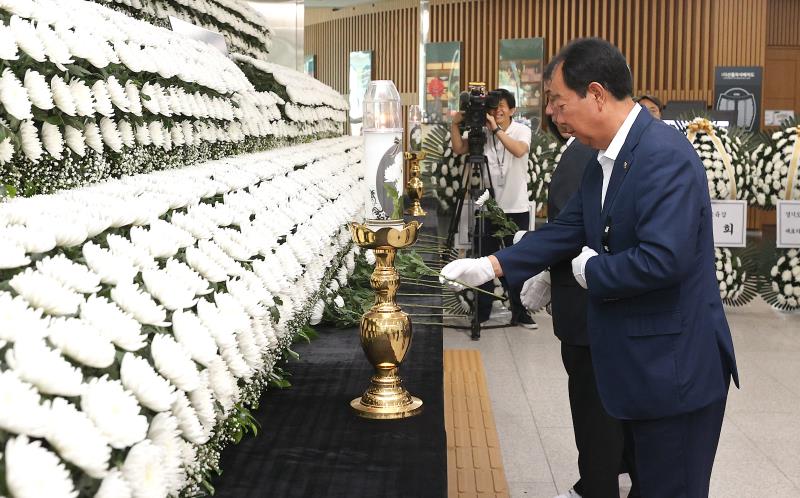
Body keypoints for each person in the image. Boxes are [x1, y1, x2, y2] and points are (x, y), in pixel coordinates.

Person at [441, 38, 738, 498]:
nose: (554, 116)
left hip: (675, 370)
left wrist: (592, 272)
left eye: (559, 103)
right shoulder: (605, 158)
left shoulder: (663, 156)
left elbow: (665, 259)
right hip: (638, 366)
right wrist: (492, 264)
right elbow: (569, 227)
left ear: (596, 94)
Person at [521, 113, 639, 498]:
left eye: (559, 101)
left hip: (586, 313)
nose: (554, 112)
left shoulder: (580, 158)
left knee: (594, 417)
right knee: (611, 413)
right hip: (600, 310)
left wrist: (532, 266)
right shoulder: (587, 154)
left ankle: (596, 487)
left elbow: (571, 232)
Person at [449, 88, 537, 329]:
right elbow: (459, 149)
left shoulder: (521, 130)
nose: (496, 112)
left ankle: (520, 311)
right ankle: (482, 311)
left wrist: (496, 130)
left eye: (501, 108)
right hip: (488, 207)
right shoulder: (484, 132)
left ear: (512, 110)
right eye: (492, 108)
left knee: (515, 261)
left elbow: (519, 150)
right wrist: (455, 126)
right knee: (484, 260)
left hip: (515, 207)